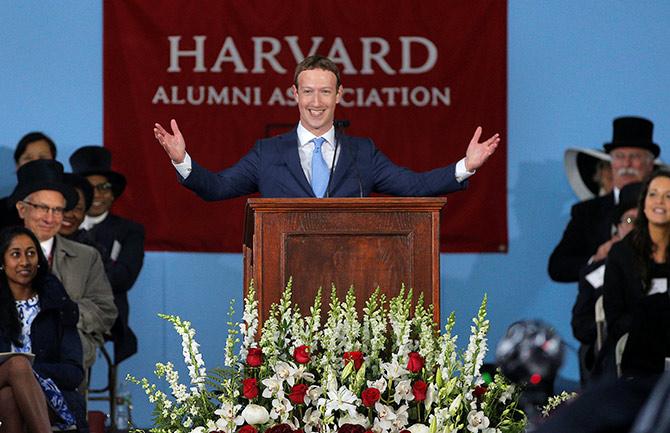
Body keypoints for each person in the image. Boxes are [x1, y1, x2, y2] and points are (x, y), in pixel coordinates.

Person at [153, 55, 500, 200]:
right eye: (307, 91)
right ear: (294, 94)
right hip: (283, 283)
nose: (315, 102)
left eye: (324, 92)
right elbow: (217, 187)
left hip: (350, 280)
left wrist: (465, 166)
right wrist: (183, 160)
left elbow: (413, 185)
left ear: (338, 95)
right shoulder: (267, 153)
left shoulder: (362, 152)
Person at [10, 159, 117, 378]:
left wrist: (73, 313)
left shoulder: (86, 257)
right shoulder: (2, 250)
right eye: (43, 208)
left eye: (58, 210)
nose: (50, 218)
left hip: (66, 365)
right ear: (22, 209)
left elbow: (106, 312)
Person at [548, 116, 658, 283]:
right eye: (620, 156)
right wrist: (596, 259)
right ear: (611, 163)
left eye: (635, 156)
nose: (627, 163)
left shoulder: (663, 208)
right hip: (599, 304)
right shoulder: (587, 212)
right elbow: (558, 267)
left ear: (650, 165)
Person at [0, 226, 86, 432]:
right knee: (18, 365)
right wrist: (20, 370)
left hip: (48, 396)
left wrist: (29, 376)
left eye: (31, 253)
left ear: (39, 259)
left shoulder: (56, 304)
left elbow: (74, 372)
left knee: (9, 397)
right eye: (15, 254)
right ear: (1, 262)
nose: (24, 262)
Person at [70, 146, 144, 363]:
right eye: (90, 188)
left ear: (113, 193)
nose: (97, 194)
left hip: (108, 312)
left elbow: (123, 278)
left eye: (104, 187)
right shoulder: (63, 224)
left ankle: (72, 394)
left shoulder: (129, 230)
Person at [571, 181, 640, 384]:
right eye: (629, 220)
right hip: (610, 353)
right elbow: (580, 326)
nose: (635, 228)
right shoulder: (596, 271)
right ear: (617, 229)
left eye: (642, 221)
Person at [603, 169, 670, 377]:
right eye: (653, 194)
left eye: (668, 196)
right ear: (644, 202)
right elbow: (614, 319)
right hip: (635, 352)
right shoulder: (621, 253)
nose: (660, 201)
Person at [0, 132, 57, 231]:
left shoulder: (64, 208)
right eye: (28, 158)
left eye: (42, 158)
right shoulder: (2, 210)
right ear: (17, 165)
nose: (35, 164)